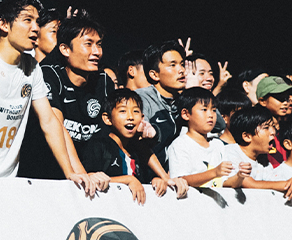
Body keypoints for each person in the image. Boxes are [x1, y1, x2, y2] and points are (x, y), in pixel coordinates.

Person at [0, 0, 99, 195]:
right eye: (28, 20)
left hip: (10, 180)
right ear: (4, 24)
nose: (36, 28)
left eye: (37, 22)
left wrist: (70, 172)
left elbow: (49, 121)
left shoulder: (32, 67)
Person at [18, 14, 113, 180]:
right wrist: (81, 175)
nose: (96, 52)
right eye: (88, 44)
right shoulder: (49, 76)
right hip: (45, 175)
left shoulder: (104, 82)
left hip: (88, 173)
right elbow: (58, 128)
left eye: (99, 45)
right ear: (64, 49)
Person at [80, 89, 186, 203]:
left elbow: (144, 181)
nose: (130, 116)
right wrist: (128, 180)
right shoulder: (98, 145)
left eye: (135, 111)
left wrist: (156, 181)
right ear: (107, 119)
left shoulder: (139, 152)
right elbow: (89, 178)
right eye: (123, 111)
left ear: (142, 118)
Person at [218, 106, 292, 199]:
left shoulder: (264, 162)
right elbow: (249, 183)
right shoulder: (231, 152)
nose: (273, 132)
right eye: (266, 127)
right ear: (247, 136)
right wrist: (289, 184)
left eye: (273, 127)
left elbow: (275, 181)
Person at [134, 41, 188, 170]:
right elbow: (141, 138)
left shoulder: (184, 99)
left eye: (182, 64)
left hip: (178, 177)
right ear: (154, 74)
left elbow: (218, 125)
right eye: (172, 65)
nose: (181, 70)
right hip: (148, 179)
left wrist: (193, 93)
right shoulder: (141, 97)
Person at [165, 87, 236, 187]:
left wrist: (240, 177)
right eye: (204, 109)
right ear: (186, 114)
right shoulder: (179, 145)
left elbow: (225, 181)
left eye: (214, 110)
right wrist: (214, 173)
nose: (211, 115)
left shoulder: (217, 144)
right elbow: (180, 179)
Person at [256, 76, 292, 166]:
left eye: (287, 98)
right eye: (280, 97)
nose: (285, 102)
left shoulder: (286, 129)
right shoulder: (256, 130)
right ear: (262, 100)